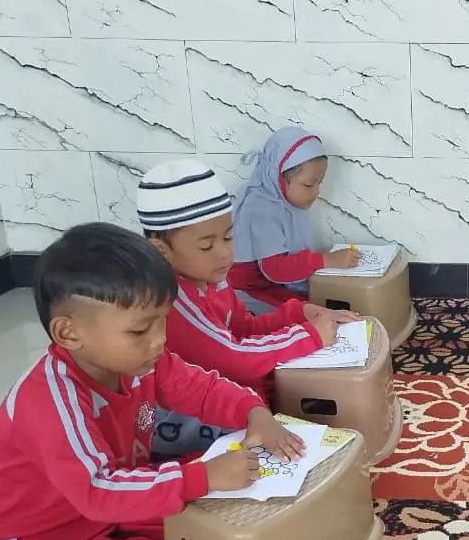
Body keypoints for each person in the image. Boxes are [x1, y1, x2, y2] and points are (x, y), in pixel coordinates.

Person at [0, 223, 305, 540]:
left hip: (120, 494)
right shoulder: (48, 401)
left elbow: (201, 388)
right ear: (69, 332)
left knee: (225, 497)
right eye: (139, 330)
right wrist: (201, 478)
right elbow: (97, 489)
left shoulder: (142, 362)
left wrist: (253, 412)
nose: (158, 340)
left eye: (163, 321)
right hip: (47, 530)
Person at [137, 160, 358, 431]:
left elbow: (244, 329)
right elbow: (235, 358)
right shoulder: (175, 300)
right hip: (183, 417)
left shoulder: (211, 278)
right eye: (207, 246)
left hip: (229, 383)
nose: (224, 253)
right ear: (161, 251)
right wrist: (309, 335)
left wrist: (298, 314)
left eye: (228, 238)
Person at [227, 126, 362, 308]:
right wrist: (327, 260)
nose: (316, 192)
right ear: (279, 178)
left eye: (319, 183)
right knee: (309, 312)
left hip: (271, 283)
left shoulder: (284, 200)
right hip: (248, 288)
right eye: (309, 185)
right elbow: (275, 270)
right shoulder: (260, 208)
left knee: (323, 303)